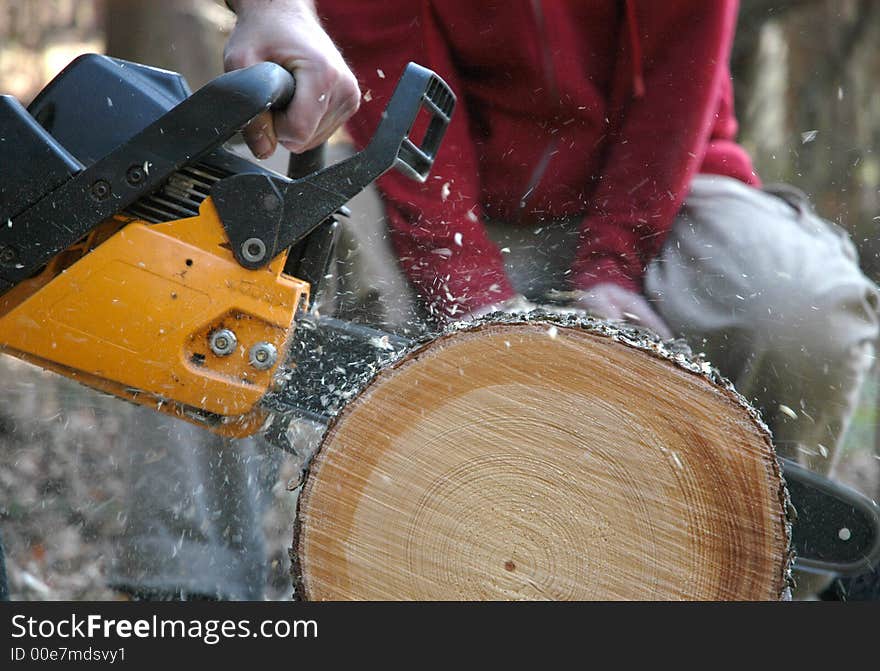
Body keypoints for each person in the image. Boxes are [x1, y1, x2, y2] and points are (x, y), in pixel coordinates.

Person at [202, 0, 879, 598]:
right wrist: (471, 295)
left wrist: (612, 261)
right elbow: (400, 84)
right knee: (230, 234)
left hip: (660, 187)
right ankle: (193, 581)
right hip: (444, 194)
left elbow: (680, 83)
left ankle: (777, 588)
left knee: (805, 311)